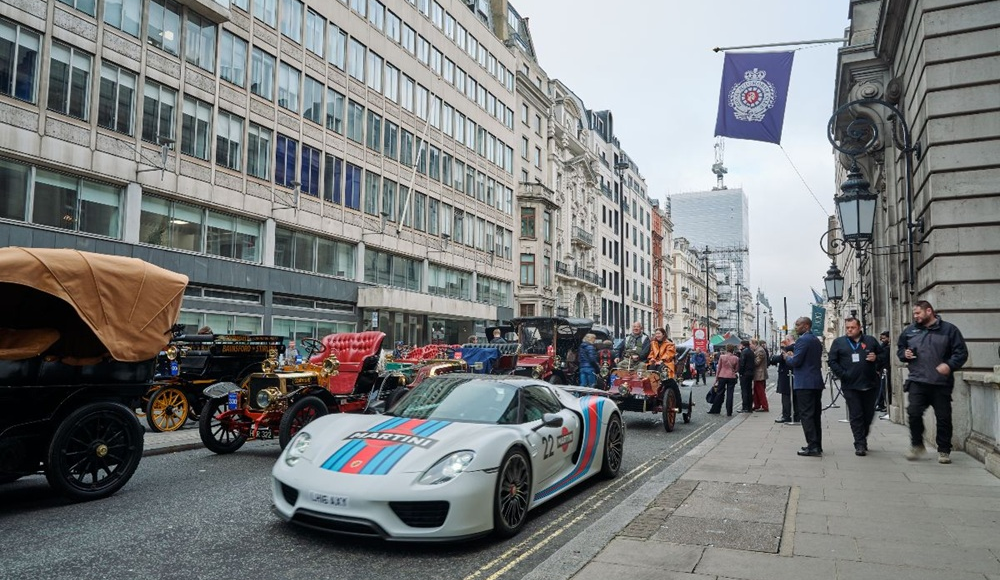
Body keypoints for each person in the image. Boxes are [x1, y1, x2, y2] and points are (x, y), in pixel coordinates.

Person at [898, 300, 968, 464]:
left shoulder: (949, 330)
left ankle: (944, 450)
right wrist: (904, 354)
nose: (915, 316)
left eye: (918, 313)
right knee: (913, 413)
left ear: (929, 311)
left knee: (943, 417)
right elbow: (900, 348)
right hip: (917, 380)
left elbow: (961, 353)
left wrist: (949, 365)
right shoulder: (910, 331)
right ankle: (917, 444)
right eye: (914, 313)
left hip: (940, 383)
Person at [828, 317, 882, 456]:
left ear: (859, 328)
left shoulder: (870, 341)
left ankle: (863, 436)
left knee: (868, 414)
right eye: (847, 328)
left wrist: (876, 358)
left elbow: (883, 355)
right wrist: (843, 374)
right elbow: (832, 361)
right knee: (856, 414)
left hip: (870, 384)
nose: (849, 330)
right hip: (850, 385)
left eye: (852, 327)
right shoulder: (839, 343)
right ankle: (859, 443)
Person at [784, 317, 825, 456]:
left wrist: (787, 357)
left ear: (806, 326)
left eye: (798, 324)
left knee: (806, 415)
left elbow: (796, 361)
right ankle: (817, 444)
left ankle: (812, 446)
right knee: (815, 415)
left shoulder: (803, 340)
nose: (795, 327)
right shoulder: (815, 340)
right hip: (815, 381)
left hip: (804, 383)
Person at [770, 335, 799, 423]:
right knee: (795, 397)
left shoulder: (788, 348)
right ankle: (797, 416)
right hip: (796, 375)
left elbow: (778, 359)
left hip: (786, 375)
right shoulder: (798, 347)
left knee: (786, 397)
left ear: (788, 340)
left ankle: (786, 416)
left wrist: (773, 358)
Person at [708, 344, 740, 416]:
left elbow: (718, 368)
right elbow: (737, 369)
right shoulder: (736, 358)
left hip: (722, 376)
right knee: (730, 394)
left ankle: (716, 409)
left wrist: (716, 379)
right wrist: (733, 371)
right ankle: (729, 411)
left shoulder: (722, 357)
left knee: (719, 393)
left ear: (726, 349)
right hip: (731, 377)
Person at [875, 331, 891, 412]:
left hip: (885, 370)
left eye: (884, 338)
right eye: (881, 338)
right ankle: (880, 404)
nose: (882, 340)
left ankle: (884, 405)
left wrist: (877, 368)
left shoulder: (886, 348)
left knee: (885, 388)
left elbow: (881, 359)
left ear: (889, 338)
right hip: (882, 370)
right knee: (882, 388)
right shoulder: (883, 347)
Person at [737, 340, 755, 413]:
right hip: (751, 373)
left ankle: (745, 407)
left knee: (744, 390)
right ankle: (749, 407)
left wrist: (740, 372)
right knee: (749, 390)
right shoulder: (751, 351)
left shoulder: (744, 352)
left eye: (740, 345)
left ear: (743, 345)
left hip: (745, 374)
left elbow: (742, 364)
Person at [752, 340, 770, 412]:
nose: (750, 346)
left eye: (751, 344)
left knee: (760, 391)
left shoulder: (760, 351)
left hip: (760, 373)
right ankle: (757, 405)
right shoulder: (758, 350)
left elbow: (757, 362)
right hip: (758, 374)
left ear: (754, 344)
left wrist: (750, 359)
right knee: (756, 391)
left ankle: (764, 406)